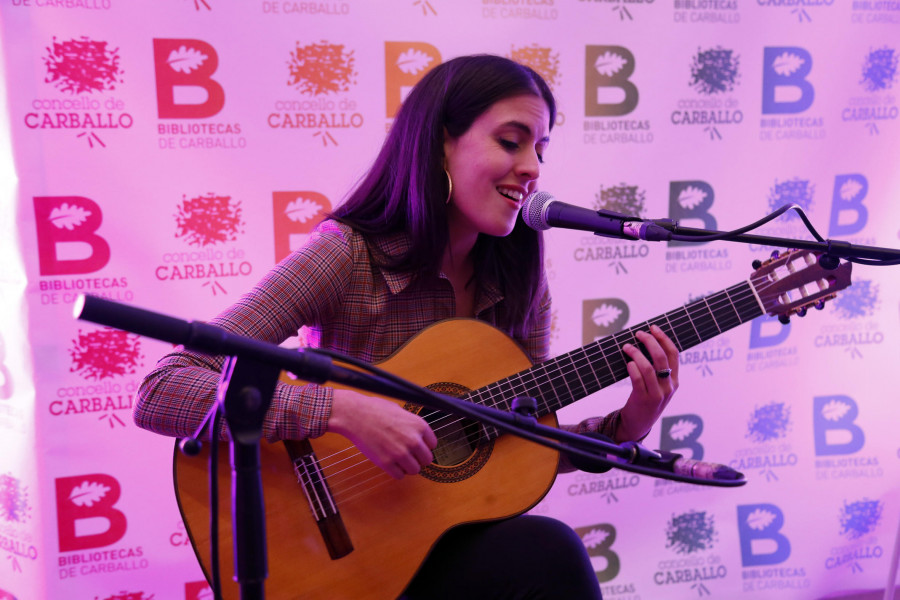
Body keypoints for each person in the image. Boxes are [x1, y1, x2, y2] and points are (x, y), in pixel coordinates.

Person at [135, 54, 680, 600]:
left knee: (544, 552)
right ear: (441, 143)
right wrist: (342, 412)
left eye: (540, 150)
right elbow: (164, 389)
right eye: (511, 142)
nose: (533, 167)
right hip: (334, 556)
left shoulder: (520, 280)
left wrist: (624, 427)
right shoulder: (346, 255)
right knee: (550, 551)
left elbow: (521, 450)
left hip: (436, 542)